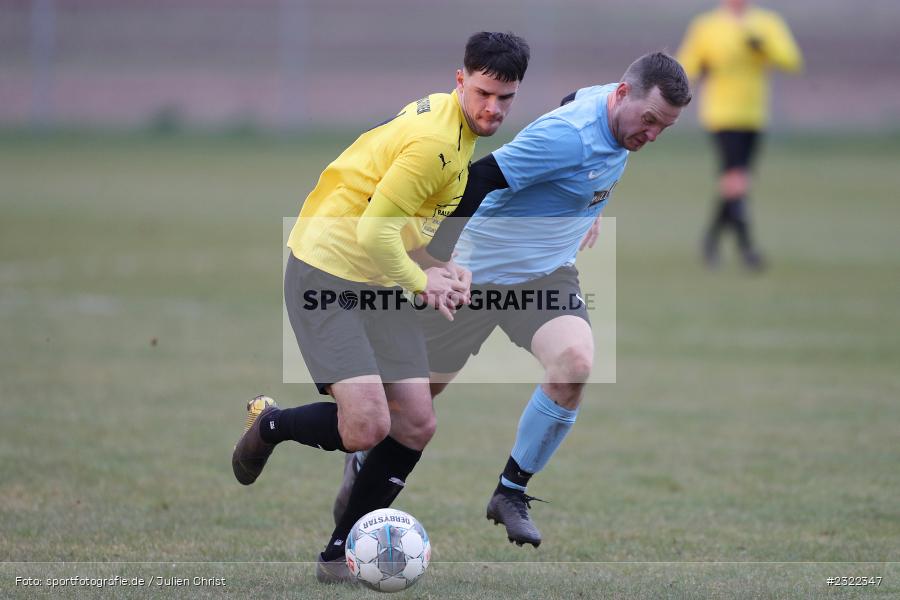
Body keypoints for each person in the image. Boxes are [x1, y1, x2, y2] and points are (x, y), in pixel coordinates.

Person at [334, 52, 691, 548]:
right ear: (624, 96)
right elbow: (479, 178)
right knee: (408, 413)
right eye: (649, 122)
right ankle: (351, 473)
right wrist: (435, 263)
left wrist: (586, 205)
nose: (651, 136)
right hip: (472, 277)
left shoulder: (609, 100)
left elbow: (577, 101)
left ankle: (511, 492)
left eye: (664, 129)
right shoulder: (565, 137)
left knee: (574, 362)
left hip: (544, 277)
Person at [230, 32, 530, 582]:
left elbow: (396, 225)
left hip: (377, 272)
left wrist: (440, 268)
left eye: (506, 98)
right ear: (460, 79)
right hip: (328, 269)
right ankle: (269, 424)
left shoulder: (457, 128)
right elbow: (372, 232)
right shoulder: (435, 143)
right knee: (367, 426)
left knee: (415, 423)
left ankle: (336, 555)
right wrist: (423, 284)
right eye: (484, 93)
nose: (494, 108)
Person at [677, 0, 802, 270]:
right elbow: (685, 68)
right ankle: (747, 248)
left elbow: (792, 59)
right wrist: (701, 66)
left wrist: (764, 47)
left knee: (736, 182)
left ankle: (711, 239)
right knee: (736, 179)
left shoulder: (766, 22)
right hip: (720, 114)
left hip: (754, 115)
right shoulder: (706, 26)